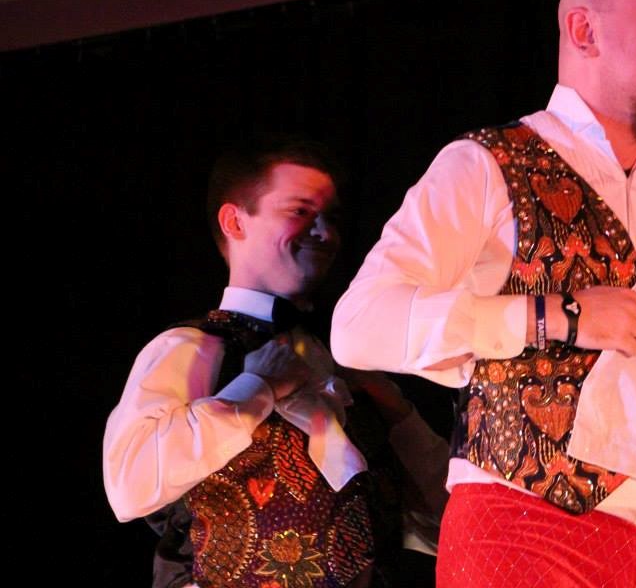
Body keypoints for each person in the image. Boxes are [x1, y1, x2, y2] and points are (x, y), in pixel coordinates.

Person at [329, 0, 636, 586]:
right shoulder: (489, 164)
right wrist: (556, 316)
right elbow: (360, 325)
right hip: (519, 529)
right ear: (585, 30)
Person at [103, 135, 448, 588]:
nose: (325, 233)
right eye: (300, 211)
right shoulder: (190, 349)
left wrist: (398, 414)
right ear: (235, 221)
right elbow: (128, 485)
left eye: (330, 218)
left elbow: (447, 524)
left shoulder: (349, 369)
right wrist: (255, 389)